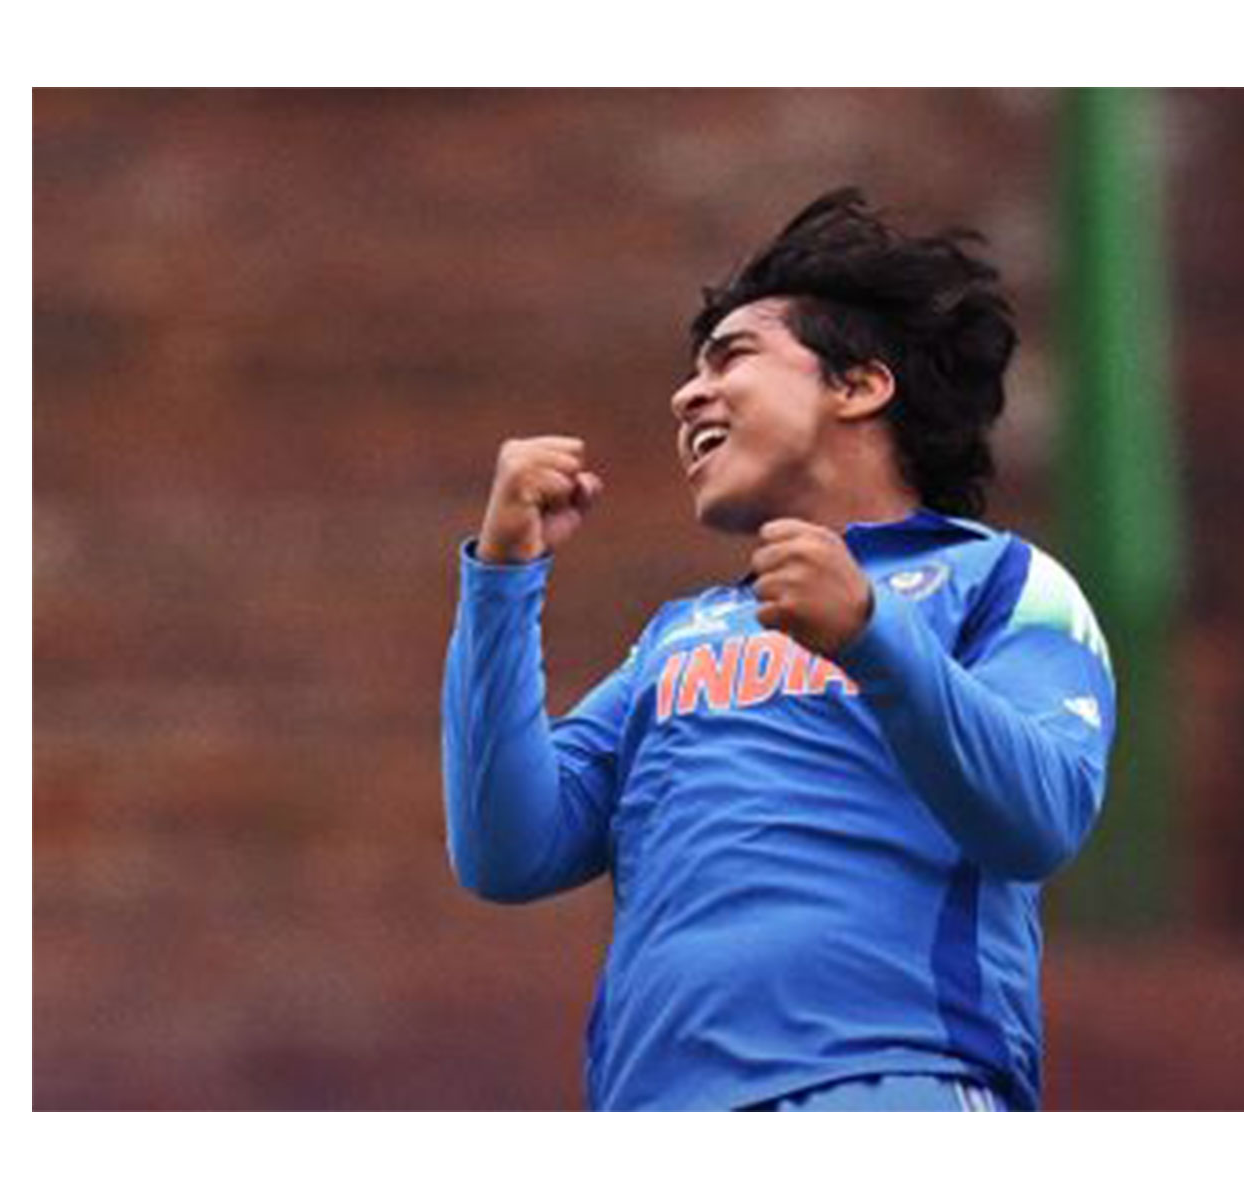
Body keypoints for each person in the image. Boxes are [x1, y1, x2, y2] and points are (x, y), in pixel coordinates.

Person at [441, 189, 1116, 1111]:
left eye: (733, 355)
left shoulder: (1001, 582)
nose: (688, 393)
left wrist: (872, 636)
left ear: (860, 384)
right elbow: (506, 849)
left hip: (893, 1092)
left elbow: (1041, 819)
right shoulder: (677, 638)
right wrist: (502, 582)